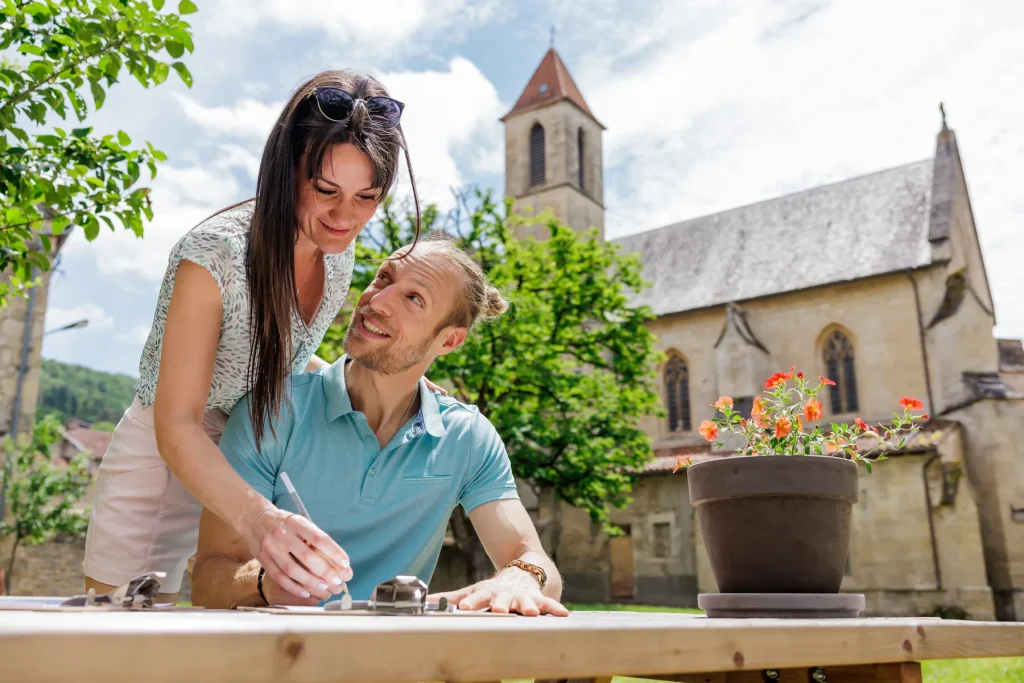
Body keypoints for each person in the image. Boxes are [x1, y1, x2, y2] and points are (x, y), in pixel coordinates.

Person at [82, 69, 442, 603]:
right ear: (286, 168)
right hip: (167, 455)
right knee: (115, 641)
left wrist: (384, 382)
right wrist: (259, 519)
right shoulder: (213, 255)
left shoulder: (335, 257)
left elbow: (286, 354)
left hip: (256, 447)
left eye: (367, 197)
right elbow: (175, 422)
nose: (346, 218)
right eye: (326, 190)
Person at [190, 235, 568, 616]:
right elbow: (209, 579)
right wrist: (267, 582)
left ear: (449, 341)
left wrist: (520, 576)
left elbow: (534, 561)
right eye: (384, 278)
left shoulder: (467, 436)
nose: (377, 300)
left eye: (414, 298)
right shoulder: (269, 410)